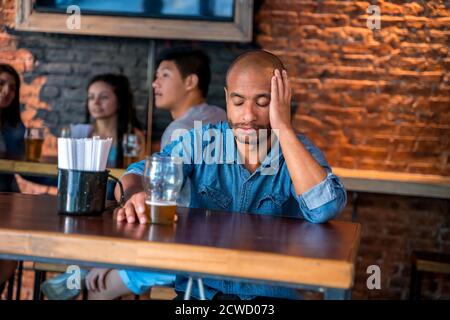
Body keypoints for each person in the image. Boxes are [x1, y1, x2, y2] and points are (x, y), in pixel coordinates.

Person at [82, 50, 347, 300]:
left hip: (268, 298)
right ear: (227, 97)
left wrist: (284, 129)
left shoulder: (297, 150)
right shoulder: (201, 141)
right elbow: (137, 173)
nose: (248, 115)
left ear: (282, 101)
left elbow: (324, 207)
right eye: (238, 101)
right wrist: (135, 193)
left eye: (263, 102)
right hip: (199, 295)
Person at [15, 73, 145, 196]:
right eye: (91, 97)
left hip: (115, 201)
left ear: (120, 101)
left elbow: (137, 176)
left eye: (104, 97)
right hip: (80, 198)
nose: (96, 102)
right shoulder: (80, 133)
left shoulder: (133, 136)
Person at [152, 47, 226, 150]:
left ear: (190, 82)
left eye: (165, 75)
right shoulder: (221, 115)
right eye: (157, 76)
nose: (155, 83)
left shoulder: (179, 130)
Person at [0, 63, 24, 295]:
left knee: (10, 257)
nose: (7, 91)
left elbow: (25, 168)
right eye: (1, 84)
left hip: (9, 200)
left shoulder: (14, 126)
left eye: (12, 87)